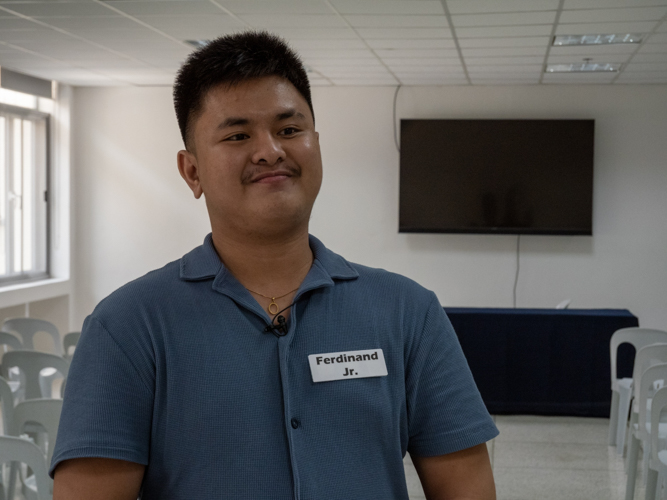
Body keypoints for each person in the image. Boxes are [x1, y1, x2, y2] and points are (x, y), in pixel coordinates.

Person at [51, 31, 498, 500]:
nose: (270, 151)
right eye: (238, 135)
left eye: (289, 130)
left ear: (316, 144)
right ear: (192, 171)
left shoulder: (408, 312)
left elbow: (465, 485)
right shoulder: (128, 326)